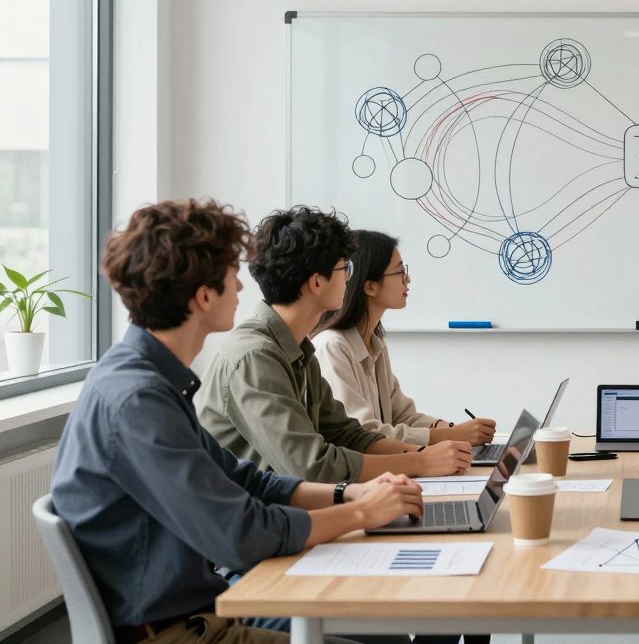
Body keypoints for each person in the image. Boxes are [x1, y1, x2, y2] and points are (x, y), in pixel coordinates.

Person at [50, 199, 423, 644]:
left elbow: (247, 481)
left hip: (195, 606)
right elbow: (240, 534)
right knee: (384, 632)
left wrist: (350, 492)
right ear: (203, 296)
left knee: (387, 630)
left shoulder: (149, 379)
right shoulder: (138, 401)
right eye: (231, 276)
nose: (243, 289)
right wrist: (360, 512)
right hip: (176, 631)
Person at [195, 206, 471, 483]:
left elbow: (347, 434)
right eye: (345, 268)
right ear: (316, 282)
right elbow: (312, 466)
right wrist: (420, 461)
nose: (349, 278)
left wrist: (425, 455)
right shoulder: (255, 357)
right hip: (253, 519)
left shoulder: (299, 349)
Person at [312, 230, 496, 447]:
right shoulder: (332, 347)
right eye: (400, 272)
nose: (407, 279)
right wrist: (454, 436)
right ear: (370, 286)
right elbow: (362, 433)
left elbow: (404, 417)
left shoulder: (374, 345)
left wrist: (453, 429)